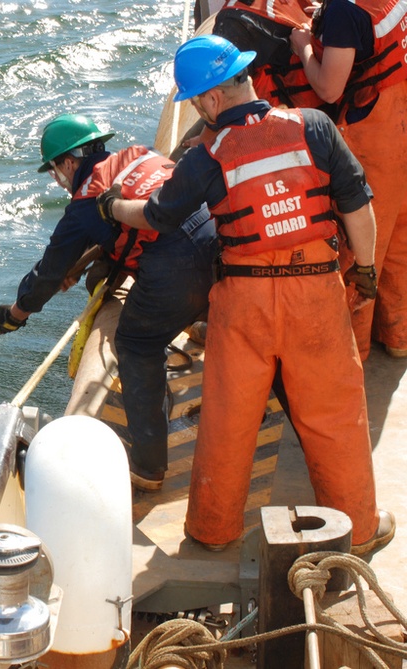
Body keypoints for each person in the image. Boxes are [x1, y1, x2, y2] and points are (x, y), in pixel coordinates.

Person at [104, 34, 395, 555]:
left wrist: (113, 208)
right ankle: (358, 530)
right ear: (244, 78)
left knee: (228, 419)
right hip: (315, 295)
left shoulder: (204, 158)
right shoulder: (314, 127)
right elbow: (356, 207)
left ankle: (213, 530)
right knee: (334, 415)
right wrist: (366, 272)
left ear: (211, 99)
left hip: (245, 302)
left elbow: (155, 217)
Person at [0, 113, 218, 492]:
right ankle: (201, 324)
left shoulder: (84, 204)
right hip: (219, 247)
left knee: (136, 344)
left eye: (54, 170)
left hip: (178, 274)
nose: (57, 179)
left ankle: (148, 468)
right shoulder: (139, 157)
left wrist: (16, 315)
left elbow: (47, 274)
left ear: (68, 162)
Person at [290, 0, 407, 359]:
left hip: (374, 139)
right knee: (399, 241)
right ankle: (397, 336)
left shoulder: (344, 9)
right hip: (399, 120)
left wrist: (303, 45)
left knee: (360, 248)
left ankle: (351, 350)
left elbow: (329, 89)